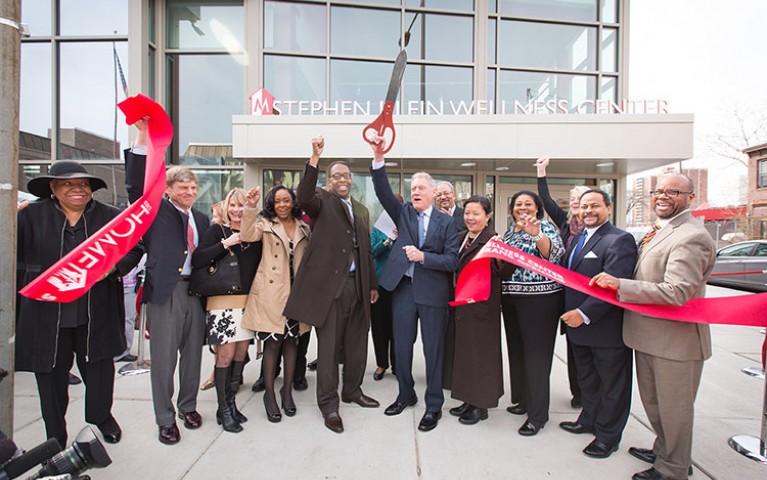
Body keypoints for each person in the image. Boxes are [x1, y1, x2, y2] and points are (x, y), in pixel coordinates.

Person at [590, 173, 716, 480]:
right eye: (658, 191)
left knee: (675, 411)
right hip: (649, 336)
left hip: (675, 342)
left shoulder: (691, 236)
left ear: (690, 197)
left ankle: (673, 468)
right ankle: (664, 450)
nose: (662, 196)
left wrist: (621, 285)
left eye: (673, 191)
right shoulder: (664, 231)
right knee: (656, 405)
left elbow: (677, 292)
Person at [16, 160, 143, 447]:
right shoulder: (29, 216)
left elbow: (136, 245)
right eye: (69, 184)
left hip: (95, 312)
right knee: (50, 379)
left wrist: (112, 268)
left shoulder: (111, 217)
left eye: (83, 184)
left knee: (99, 372)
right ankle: (54, 433)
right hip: (47, 316)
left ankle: (101, 417)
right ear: (53, 188)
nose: (78, 189)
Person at [283, 136, 380, 434]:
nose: (341, 179)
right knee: (327, 351)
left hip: (358, 287)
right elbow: (304, 197)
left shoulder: (361, 210)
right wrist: (314, 159)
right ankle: (329, 404)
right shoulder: (321, 201)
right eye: (335, 175)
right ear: (329, 180)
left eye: (345, 175)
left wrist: (372, 284)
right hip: (330, 290)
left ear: (352, 180)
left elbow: (366, 250)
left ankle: (352, 390)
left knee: (357, 346)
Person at [125, 120, 210, 445]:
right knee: (163, 360)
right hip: (165, 293)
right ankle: (164, 418)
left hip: (194, 293)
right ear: (169, 189)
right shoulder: (154, 211)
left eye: (193, 187)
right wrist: (142, 138)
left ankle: (187, 407)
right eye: (183, 187)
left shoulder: (201, 219)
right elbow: (135, 186)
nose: (189, 192)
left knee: (192, 356)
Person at [369, 135, 459, 433]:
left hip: (433, 292)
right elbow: (383, 191)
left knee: (433, 351)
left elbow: (452, 261)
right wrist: (378, 157)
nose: (415, 192)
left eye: (421, 188)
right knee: (403, 349)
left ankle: (433, 406)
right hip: (404, 290)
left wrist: (423, 257)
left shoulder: (447, 223)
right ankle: (405, 394)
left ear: (433, 193)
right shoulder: (404, 212)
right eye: (413, 188)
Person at [557, 189, 637, 459]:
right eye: (583, 206)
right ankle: (588, 419)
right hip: (578, 330)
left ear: (609, 208)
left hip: (605, 330)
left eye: (595, 206)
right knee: (587, 380)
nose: (588, 211)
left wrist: (583, 313)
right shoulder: (578, 238)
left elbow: (614, 284)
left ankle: (608, 437)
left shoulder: (619, 240)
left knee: (612, 386)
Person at [192, 188, 262, 433]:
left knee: (241, 352)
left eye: (242, 205)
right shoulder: (216, 231)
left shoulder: (254, 234)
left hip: (246, 303)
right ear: (225, 206)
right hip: (222, 304)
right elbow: (198, 259)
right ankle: (223, 409)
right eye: (232, 205)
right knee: (225, 354)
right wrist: (225, 243)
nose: (236, 210)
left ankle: (231, 404)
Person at [240, 185, 311, 423]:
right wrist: (250, 207)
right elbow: (247, 235)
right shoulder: (264, 224)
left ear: (293, 203)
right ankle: (269, 394)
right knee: (272, 346)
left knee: (292, 343)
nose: (282, 205)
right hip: (272, 293)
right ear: (272, 204)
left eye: (286, 200)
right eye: (277, 201)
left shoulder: (304, 227)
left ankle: (287, 391)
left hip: (297, 294)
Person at [499, 190, 565, 436]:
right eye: (518, 204)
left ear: (537, 208)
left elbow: (554, 254)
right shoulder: (510, 231)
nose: (523, 208)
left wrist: (537, 236)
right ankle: (524, 401)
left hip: (540, 300)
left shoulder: (545, 228)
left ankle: (538, 416)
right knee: (517, 353)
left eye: (528, 203)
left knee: (537, 358)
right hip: (512, 299)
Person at [443, 196, 504, 425]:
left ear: (487, 216)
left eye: (476, 213)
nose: (470, 218)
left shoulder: (493, 241)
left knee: (481, 358)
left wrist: (500, 256)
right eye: (467, 213)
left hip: (481, 309)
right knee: (465, 356)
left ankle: (481, 406)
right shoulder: (461, 238)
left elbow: (504, 270)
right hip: (461, 309)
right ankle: (468, 399)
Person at [536, 156, 591, 409]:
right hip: (567, 295)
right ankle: (577, 393)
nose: (577, 206)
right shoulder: (566, 225)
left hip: (588, 298)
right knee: (572, 348)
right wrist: (541, 172)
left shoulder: (594, 230)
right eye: (575, 202)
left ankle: (588, 394)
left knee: (586, 348)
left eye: (582, 202)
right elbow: (546, 201)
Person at [370, 198, 401, 381]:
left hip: (399, 284)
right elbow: (372, 252)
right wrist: (388, 240)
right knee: (379, 326)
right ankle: (382, 363)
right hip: (380, 283)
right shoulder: (377, 228)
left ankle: (398, 364)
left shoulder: (407, 228)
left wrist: (401, 235)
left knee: (398, 327)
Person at [199, 202, 225, 392]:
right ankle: (216, 375)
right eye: (213, 217)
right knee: (219, 342)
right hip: (216, 293)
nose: (214, 221)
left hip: (236, 295)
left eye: (217, 216)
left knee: (234, 346)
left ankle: (228, 376)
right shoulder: (214, 232)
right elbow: (199, 258)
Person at [116, 256, 146, 363]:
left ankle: (124, 351)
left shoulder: (135, 246)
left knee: (128, 319)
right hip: (112, 283)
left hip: (131, 285)